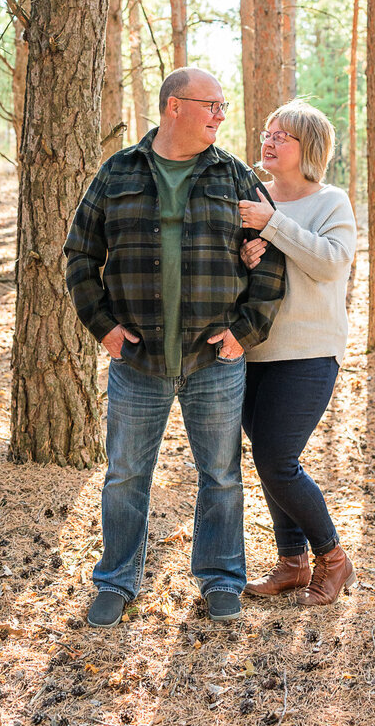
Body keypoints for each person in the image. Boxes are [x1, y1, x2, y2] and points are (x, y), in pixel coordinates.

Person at [64, 67, 286, 628]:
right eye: (210, 103)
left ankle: (220, 579)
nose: (220, 114)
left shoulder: (234, 177)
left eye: (222, 104)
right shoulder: (117, 173)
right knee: (124, 477)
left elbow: (272, 257)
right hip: (136, 360)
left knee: (221, 474)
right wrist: (105, 329)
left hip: (213, 360)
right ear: (173, 108)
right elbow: (80, 256)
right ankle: (117, 580)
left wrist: (245, 331)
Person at [237, 100, 357, 606]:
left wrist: (272, 226)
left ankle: (333, 559)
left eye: (281, 135)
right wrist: (245, 257)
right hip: (253, 350)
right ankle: (291, 562)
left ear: (307, 148)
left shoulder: (331, 202)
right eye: (266, 132)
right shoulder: (253, 198)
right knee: (269, 461)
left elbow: (331, 264)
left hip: (308, 352)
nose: (268, 141)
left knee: (276, 458)